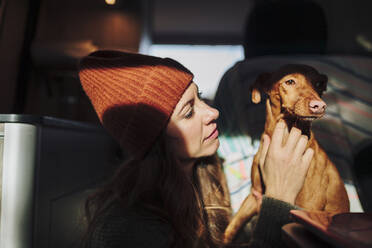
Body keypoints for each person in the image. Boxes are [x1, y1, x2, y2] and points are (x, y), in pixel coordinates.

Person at [78, 50, 313, 248]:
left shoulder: (206, 177)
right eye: (189, 112)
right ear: (156, 143)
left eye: (199, 97)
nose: (213, 113)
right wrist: (279, 200)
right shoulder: (128, 229)